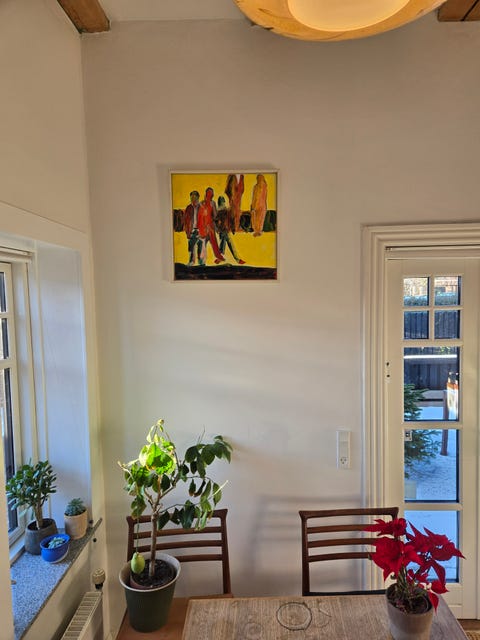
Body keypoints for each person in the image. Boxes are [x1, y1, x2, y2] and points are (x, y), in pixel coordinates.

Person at [198, 187, 225, 264]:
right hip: (205, 227)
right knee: (205, 244)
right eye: (210, 194)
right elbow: (200, 217)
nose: (210, 196)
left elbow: (215, 216)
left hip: (209, 227)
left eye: (211, 194)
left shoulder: (209, 203)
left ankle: (217, 257)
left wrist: (216, 226)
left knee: (211, 243)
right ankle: (202, 260)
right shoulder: (204, 203)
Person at [216, 196, 245, 264]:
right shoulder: (218, 212)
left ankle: (235, 259)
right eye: (221, 202)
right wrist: (218, 228)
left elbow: (230, 220)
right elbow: (216, 222)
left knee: (227, 244)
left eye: (222, 202)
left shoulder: (226, 211)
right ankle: (237, 259)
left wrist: (232, 229)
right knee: (226, 244)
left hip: (225, 230)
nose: (222, 204)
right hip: (222, 231)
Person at [183, 190, 205, 265]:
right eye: (191, 198)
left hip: (200, 230)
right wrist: (187, 232)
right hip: (192, 230)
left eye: (194, 198)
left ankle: (200, 261)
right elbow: (186, 221)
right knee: (191, 247)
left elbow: (205, 221)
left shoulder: (202, 208)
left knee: (200, 246)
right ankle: (191, 261)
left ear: (198, 198)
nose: (193, 200)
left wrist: (203, 231)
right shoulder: (188, 208)